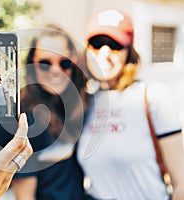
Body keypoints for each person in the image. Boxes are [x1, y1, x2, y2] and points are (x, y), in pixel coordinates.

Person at [77, 9, 184, 200]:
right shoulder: (85, 101)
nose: (105, 53)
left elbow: (181, 184)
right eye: (97, 44)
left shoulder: (152, 96)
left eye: (114, 45)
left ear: (129, 51)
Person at [11, 24, 90, 200]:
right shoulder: (25, 120)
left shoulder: (80, 107)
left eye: (64, 63)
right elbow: (24, 197)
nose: (56, 71)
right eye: (45, 63)